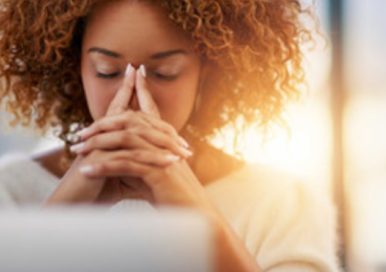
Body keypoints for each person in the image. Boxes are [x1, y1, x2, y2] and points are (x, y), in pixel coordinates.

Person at [0, 0, 340, 271]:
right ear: (75, 68)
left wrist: (193, 208)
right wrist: (66, 206)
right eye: (107, 71)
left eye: (164, 73)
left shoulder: (282, 204)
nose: (133, 95)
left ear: (205, 75)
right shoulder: (10, 189)